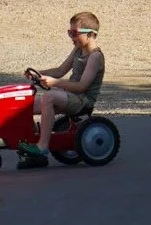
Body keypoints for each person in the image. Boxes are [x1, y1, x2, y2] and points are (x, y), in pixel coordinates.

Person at [18, 11, 105, 166]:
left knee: (49, 97)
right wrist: (39, 74)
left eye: (75, 33)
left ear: (91, 34)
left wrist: (54, 83)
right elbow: (60, 70)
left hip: (83, 100)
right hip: (70, 96)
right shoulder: (78, 49)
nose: (72, 37)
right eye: (69, 33)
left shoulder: (95, 57)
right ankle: (34, 144)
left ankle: (42, 146)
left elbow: (82, 87)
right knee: (25, 104)